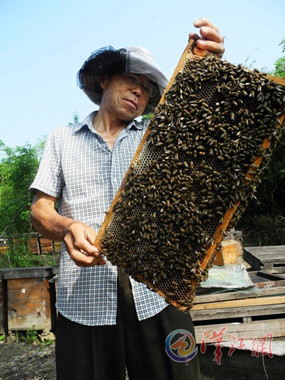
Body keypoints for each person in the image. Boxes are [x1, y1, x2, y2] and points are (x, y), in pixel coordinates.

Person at [30, 18, 225, 380]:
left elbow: (204, 126)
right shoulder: (62, 139)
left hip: (157, 290)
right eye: (132, 80)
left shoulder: (156, 135)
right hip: (83, 297)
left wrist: (206, 71)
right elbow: (40, 210)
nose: (140, 92)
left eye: (148, 89)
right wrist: (68, 227)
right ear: (105, 79)